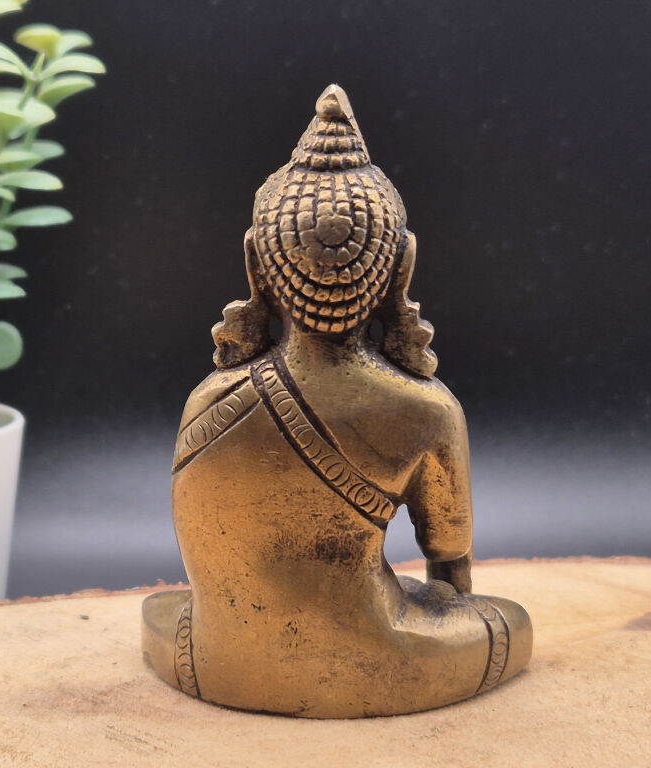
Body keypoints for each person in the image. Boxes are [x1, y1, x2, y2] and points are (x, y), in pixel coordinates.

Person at [142, 85, 531, 718]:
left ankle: (246, 667)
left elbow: (209, 569)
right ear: (402, 266)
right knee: (507, 621)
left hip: (209, 658)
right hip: (375, 657)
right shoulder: (427, 411)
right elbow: (451, 572)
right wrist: (437, 605)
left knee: (162, 610)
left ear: (255, 262)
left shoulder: (208, 398)